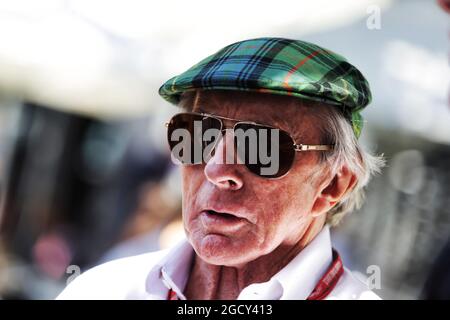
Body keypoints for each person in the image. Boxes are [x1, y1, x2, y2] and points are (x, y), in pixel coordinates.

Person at [57, 37, 385, 300]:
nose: (217, 169)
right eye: (196, 135)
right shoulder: (102, 290)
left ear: (333, 185)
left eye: (262, 146)